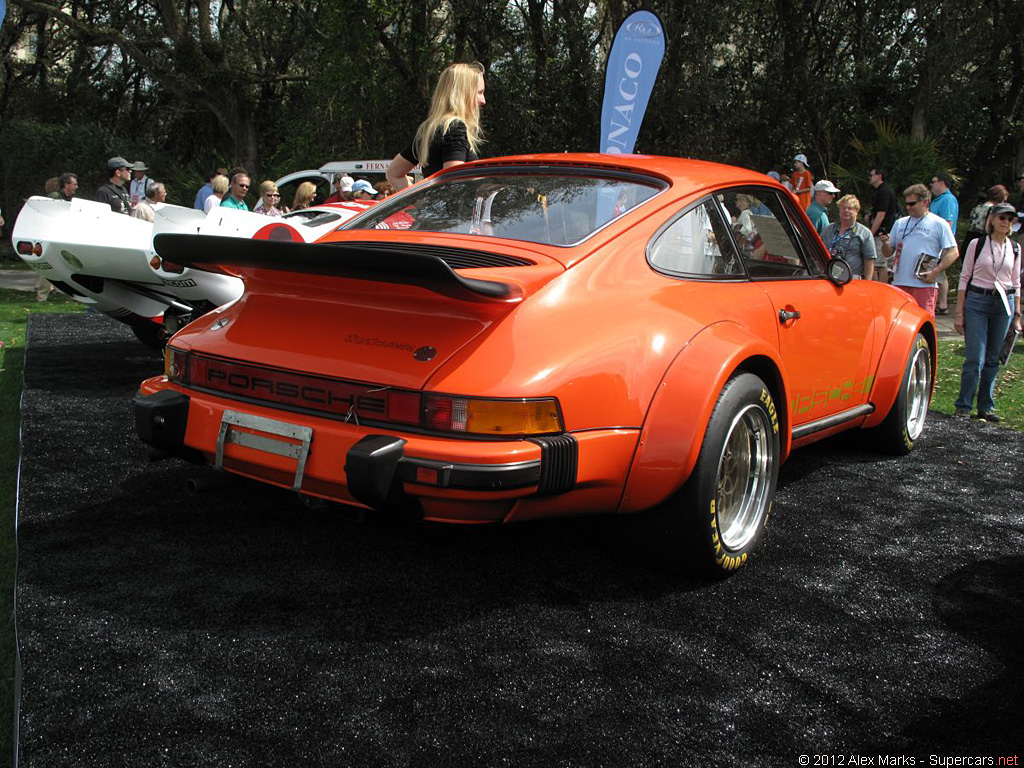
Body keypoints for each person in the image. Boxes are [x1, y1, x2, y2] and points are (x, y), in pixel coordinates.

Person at [953, 202, 1022, 421]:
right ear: (992, 219)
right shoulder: (978, 243)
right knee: (975, 357)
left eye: (1010, 219)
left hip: (1004, 305)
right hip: (977, 301)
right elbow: (964, 277)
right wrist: (959, 312)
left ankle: (986, 406)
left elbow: (1016, 281)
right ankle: (963, 405)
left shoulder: (1015, 248)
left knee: (994, 358)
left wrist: (1017, 314)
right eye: (1002, 218)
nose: (1006, 223)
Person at [386, 61, 486, 192]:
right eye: (479, 92)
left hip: (436, 211)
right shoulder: (455, 128)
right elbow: (454, 185)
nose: (483, 100)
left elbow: (394, 174)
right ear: (463, 94)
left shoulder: (429, 129)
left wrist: (420, 203)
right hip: (455, 212)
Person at [879, 183, 958, 316]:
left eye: (912, 203)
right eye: (907, 204)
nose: (908, 207)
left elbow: (953, 252)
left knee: (923, 326)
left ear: (925, 202)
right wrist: (885, 243)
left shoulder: (939, 223)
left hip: (924, 285)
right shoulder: (900, 223)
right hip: (899, 284)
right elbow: (888, 252)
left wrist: (936, 271)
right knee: (899, 325)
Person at [820, 195, 876, 279]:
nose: (846, 210)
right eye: (843, 208)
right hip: (828, 275)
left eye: (850, 208)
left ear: (856, 211)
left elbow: (869, 259)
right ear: (839, 210)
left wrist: (867, 282)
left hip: (852, 278)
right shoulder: (828, 230)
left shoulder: (864, 233)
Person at [929, 172, 958, 314]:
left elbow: (948, 222)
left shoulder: (948, 200)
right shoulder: (938, 199)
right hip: (935, 242)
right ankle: (941, 304)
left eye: (933, 181)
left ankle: (942, 304)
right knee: (940, 273)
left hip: (942, 243)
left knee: (940, 271)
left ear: (942, 182)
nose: (931, 185)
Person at [867, 167, 899, 284]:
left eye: (871, 175)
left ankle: (880, 289)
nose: (869, 178)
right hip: (881, 233)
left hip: (882, 233)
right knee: (878, 263)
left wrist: (870, 233)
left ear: (879, 176)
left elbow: (881, 215)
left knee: (879, 264)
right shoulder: (880, 191)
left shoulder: (884, 191)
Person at [963, 185, 1008, 255]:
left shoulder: (978, 207)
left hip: (969, 238)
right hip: (981, 240)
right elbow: (988, 228)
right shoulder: (993, 210)